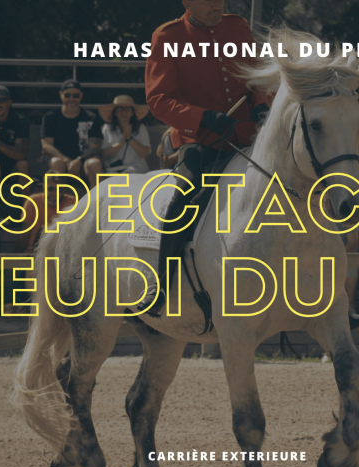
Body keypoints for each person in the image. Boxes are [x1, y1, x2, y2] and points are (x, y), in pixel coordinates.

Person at [139, 0, 269, 315]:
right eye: (209, 0)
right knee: (183, 195)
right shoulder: (167, 36)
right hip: (201, 139)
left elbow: (256, 78)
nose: (216, 5)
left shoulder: (238, 27)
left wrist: (262, 104)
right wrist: (203, 117)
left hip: (248, 135)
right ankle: (161, 284)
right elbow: (158, 99)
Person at [3, 170, 77, 314]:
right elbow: (25, 235)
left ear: (64, 190)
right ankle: (13, 304)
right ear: (43, 188)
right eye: (50, 189)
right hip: (33, 251)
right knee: (14, 265)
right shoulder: (33, 201)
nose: (54, 193)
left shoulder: (72, 203)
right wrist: (15, 256)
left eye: (59, 190)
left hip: (61, 253)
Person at [40, 79, 103, 190]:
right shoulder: (50, 117)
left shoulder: (91, 117)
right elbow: (47, 146)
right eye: (67, 95)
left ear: (81, 95)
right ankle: (55, 201)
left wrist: (79, 161)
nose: (72, 99)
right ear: (61, 95)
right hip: (59, 164)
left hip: (83, 164)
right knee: (57, 162)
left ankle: (97, 201)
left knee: (94, 163)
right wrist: (69, 163)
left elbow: (95, 149)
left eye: (76, 95)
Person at [0, 85, 31, 219]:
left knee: (24, 165)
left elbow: (21, 154)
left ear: (9, 102)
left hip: (12, 167)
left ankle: (28, 214)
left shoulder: (20, 120)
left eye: (1, 100)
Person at [98, 95, 151, 175]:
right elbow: (103, 155)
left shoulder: (141, 128)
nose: (124, 112)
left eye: (128, 109)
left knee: (130, 176)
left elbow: (145, 153)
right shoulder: (107, 128)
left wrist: (130, 139)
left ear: (132, 112)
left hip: (137, 169)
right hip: (113, 170)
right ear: (115, 112)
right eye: (120, 109)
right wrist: (121, 143)